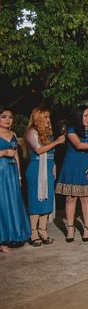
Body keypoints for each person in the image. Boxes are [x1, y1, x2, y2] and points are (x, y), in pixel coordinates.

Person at [55, 106, 88, 242]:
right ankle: (70, 228)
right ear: (79, 116)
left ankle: (86, 228)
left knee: (86, 198)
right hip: (72, 166)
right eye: (85, 115)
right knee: (71, 197)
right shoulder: (71, 129)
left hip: (86, 166)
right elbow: (79, 145)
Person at [24, 106, 66, 246]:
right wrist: (57, 142)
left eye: (49, 117)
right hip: (36, 170)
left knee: (46, 200)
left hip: (47, 169)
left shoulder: (48, 133)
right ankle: (33, 232)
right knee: (36, 201)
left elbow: (50, 154)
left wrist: (53, 164)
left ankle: (43, 230)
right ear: (37, 119)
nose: (48, 120)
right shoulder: (31, 132)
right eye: (46, 117)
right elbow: (39, 150)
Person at [0, 107, 30, 252]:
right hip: (1, 172)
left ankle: (15, 235)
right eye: (4, 117)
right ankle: (2, 240)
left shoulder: (13, 134)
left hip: (11, 173)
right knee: (3, 204)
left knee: (13, 202)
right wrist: (3, 152)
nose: (7, 120)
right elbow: (8, 152)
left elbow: (17, 155)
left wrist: (18, 175)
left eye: (10, 117)